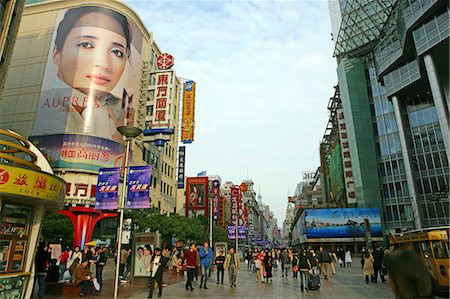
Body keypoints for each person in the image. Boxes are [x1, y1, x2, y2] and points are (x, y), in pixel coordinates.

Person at [34, 6, 133, 142]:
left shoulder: (120, 111)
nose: (103, 64)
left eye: (116, 52)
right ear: (57, 53)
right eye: (86, 45)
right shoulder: (40, 105)